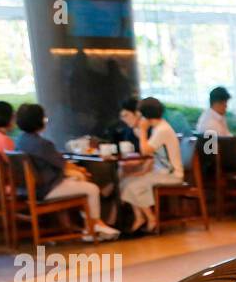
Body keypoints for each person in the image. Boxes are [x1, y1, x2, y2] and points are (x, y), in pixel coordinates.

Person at [14, 103, 119, 241]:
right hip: (46, 189)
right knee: (92, 189)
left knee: (80, 179)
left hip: (28, 189)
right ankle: (93, 226)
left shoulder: (20, 140)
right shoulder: (42, 144)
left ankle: (92, 226)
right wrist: (80, 170)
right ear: (39, 121)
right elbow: (63, 164)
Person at [119, 96, 183, 234]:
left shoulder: (162, 130)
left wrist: (142, 131)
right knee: (126, 182)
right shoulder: (159, 128)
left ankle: (151, 218)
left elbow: (145, 151)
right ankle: (140, 217)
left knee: (132, 185)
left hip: (172, 175)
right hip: (162, 172)